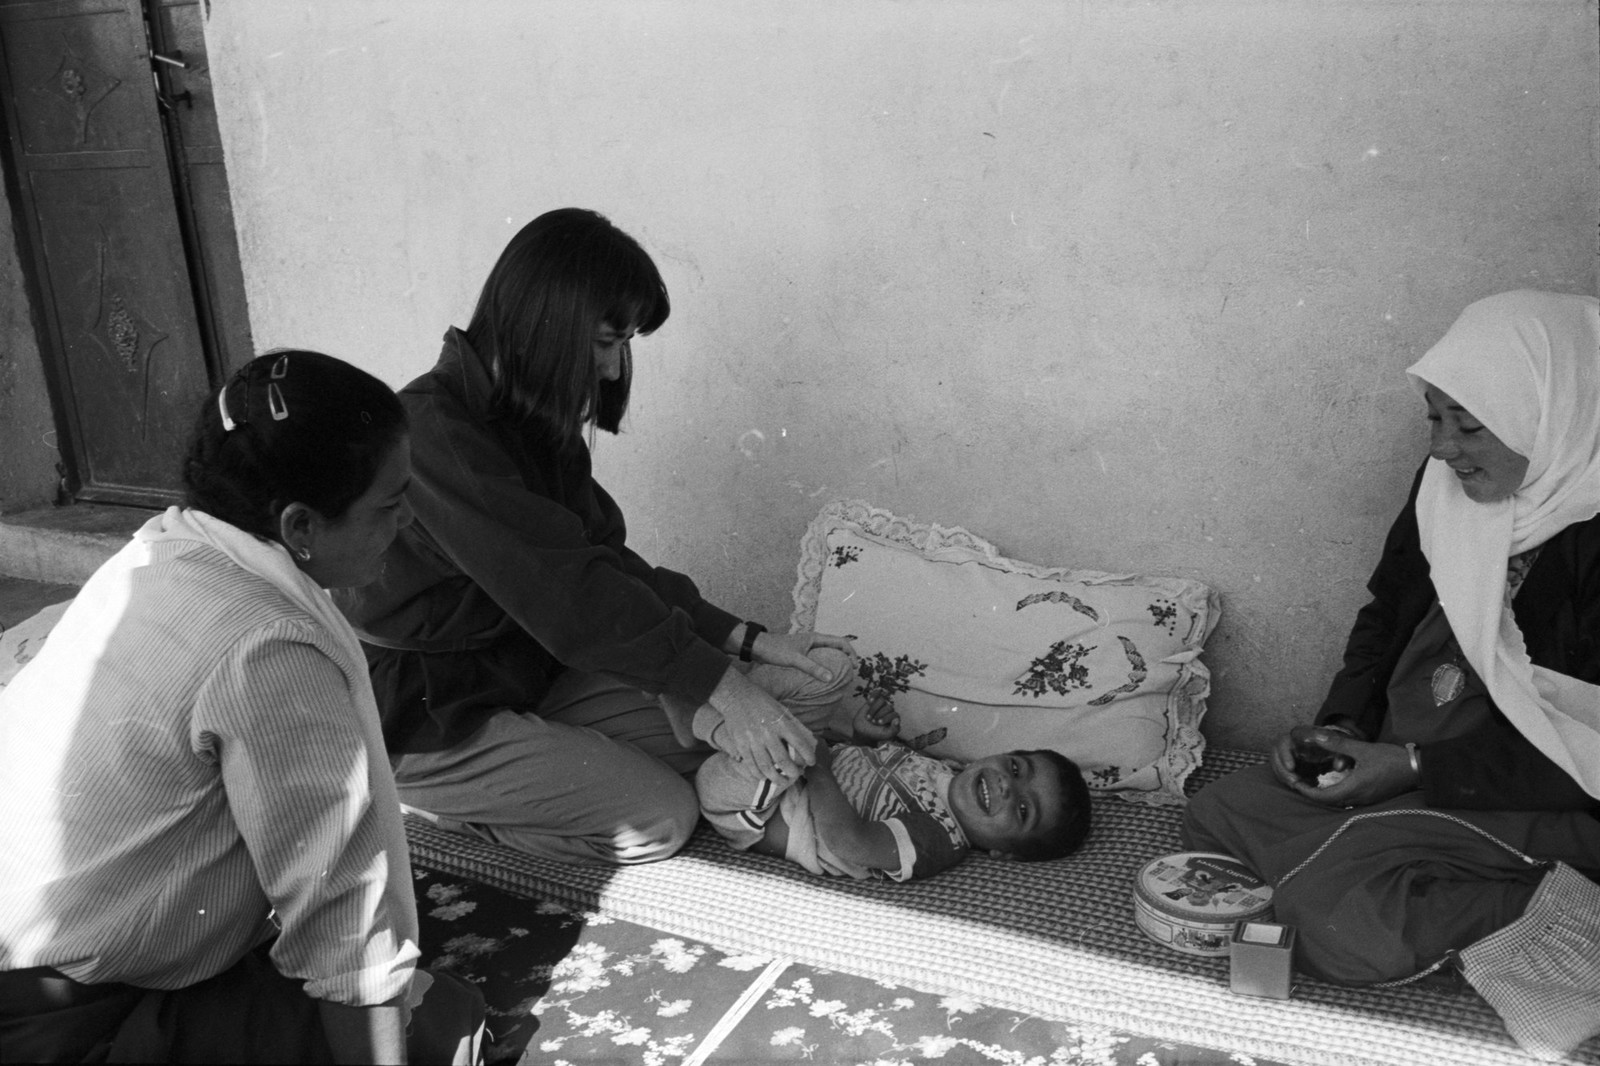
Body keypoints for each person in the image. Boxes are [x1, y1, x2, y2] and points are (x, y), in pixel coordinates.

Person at [0, 352, 484, 1064]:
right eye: (388, 506)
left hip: (36, 955)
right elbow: (346, 921)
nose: (407, 522)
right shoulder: (272, 643)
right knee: (438, 1024)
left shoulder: (164, 547)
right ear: (300, 527)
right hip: (59, 1023)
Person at [335, 208, 852, 865]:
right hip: (428, 719)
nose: (612, 370)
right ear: (545, 323)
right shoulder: (436, 432)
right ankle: (438, 805)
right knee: (663, 817)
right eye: (606, 341)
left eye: (623, 344)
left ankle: (601, 770)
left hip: (529, 677)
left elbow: (601, 561)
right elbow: (571, 595)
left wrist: (746, 639)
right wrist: (728, 689)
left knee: (799, 701)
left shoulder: (531, 418)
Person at [1182, 291, 1600, 1055]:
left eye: (1468, 423)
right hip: (1414, 752)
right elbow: (1388, 611)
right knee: (1224, 808)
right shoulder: (1447, 486)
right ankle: (1425, 873)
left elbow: (1583, 746)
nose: (1443, 448)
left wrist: (1410, 768)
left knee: (1337, 921)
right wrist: (1341, 729)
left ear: (1557, 411)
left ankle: (1556, 916)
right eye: (1434, 418)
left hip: (1541, 784)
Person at [693, 646, 1093, 881]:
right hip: (793, 766)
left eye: (1023, 809)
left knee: (787, 748)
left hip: (753, 810)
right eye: (1018, 769)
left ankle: (695, 712)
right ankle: (713, 699)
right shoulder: (942, 770)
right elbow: (861, 775)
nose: (1008, 786)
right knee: (831, 666)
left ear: (1005, 853)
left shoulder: (940, 838)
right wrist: (863, 738)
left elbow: (850, 841)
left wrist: (818, 766)